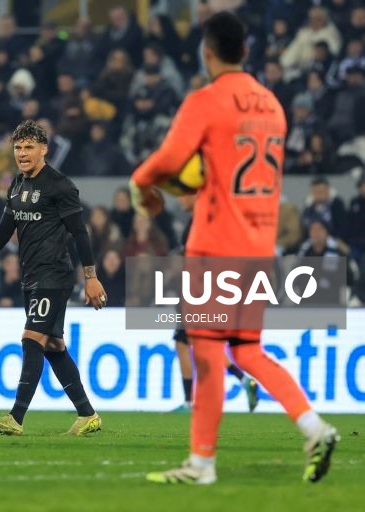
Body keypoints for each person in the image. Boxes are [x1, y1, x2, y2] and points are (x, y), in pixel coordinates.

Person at [130, 12, 338, 484]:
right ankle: (314, 426)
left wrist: (143, 186)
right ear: (245, 51)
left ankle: (201, 464)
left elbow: (165, 161)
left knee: (205, 354)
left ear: (207, 54)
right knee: (245, 351)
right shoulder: (273, 106)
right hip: (257, 245)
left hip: (215, 243)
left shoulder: (206, 101)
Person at [0, 120, 107, 436]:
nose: (23, 153)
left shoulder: (60, 186)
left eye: (29, 147)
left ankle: (15, 417)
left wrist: (91, 277)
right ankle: (87, 414)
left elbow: (79, 233)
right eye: (18, 147)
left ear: (44, 149)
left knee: (32, 339)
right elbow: (4, 229)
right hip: (32, 275)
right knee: (53, 345)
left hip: (54, 274)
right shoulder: (16, 184)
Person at [170, 195, 259, 414]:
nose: (180, 200)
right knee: (195, 344)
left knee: (189, 343)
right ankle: (242, 380)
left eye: (184, 195)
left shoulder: (197, 223)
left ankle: (191, 402)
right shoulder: (212, 220)